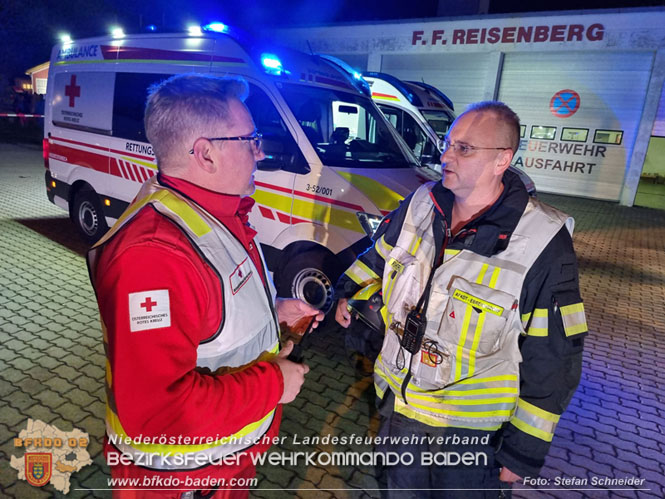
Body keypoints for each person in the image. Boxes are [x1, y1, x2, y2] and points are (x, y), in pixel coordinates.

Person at [87, 74, 323, 498]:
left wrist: (276, 313)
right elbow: (157, 412)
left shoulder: (212, 215)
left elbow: (215, 314)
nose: (261, 152)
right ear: (206, 154)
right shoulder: (155, 255)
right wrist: (274, 384)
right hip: (181, 479)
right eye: (250, 140)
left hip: (218, 467)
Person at [335, 101, 587, 498]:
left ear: (503, 159)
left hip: (471, 434)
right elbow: (378, 256)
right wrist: (346, 293)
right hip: (399, 407)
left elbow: (554, 354)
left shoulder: (543, 240)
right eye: (448, 143)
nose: (446, 156)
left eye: (464, 149)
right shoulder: (422, 203)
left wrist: (521, 453)